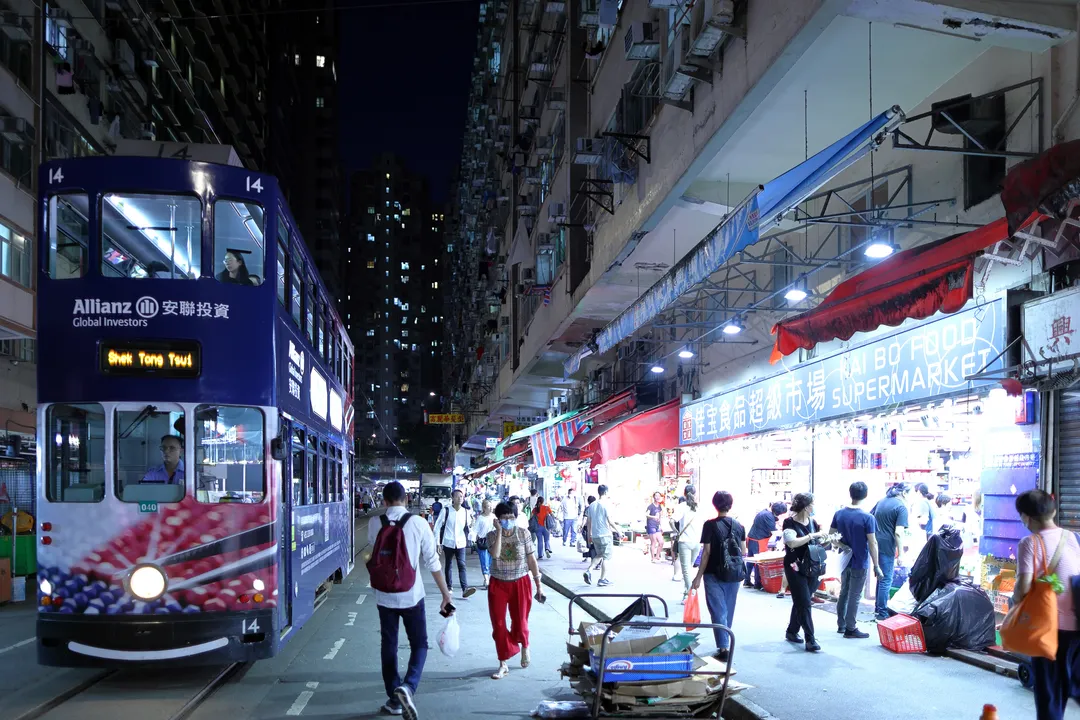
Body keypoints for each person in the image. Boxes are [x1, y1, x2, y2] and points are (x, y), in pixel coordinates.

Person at [369, 481, 453, 719]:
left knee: (389, 644)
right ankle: (409, 686)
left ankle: (394, 699)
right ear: (406, 499)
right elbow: (433, 563)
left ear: (384, 502)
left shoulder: (376, 523)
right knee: (419, 644)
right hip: (412, 596)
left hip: (384, 596)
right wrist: (446, 594)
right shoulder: (418, 523)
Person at [1013, 489, 1080, 720]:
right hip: (1077, 627)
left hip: (1048, 629)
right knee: (1070, 680)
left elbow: (1022, 587)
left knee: (1050, 692)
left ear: (1025, 517)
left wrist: (1015, 603)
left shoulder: (1030, 543)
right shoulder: (1072, 537)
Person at [486, 501, 544, 680]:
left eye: (511, 518)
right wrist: (500, 533)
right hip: (498, 584)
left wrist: (538, 584)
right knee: (498, 624)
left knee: (520, 621)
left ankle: (525, 646)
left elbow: (532, 560)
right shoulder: (491, 536)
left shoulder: (523, 534)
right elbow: (495, 555)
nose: (508, 521)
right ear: (498, 520)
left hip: (520, 582)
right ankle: (503, 662)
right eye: (504, 518)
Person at [691, 491, 746, 661]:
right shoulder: (739, 526)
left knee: (717, 610)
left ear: (714, 504)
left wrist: (698, 576)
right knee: (728, 609)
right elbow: (743, 551)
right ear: (731, 505)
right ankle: (725, 642)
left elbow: (706, 553)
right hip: (733, 574)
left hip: (713, 573)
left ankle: (723, 647)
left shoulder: (710, 525)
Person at [830, 482, 882, 639]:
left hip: (845, 560)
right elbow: (872, 543)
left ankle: (841, 624)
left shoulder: (839, 514)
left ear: (850, 493)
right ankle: (851, 628)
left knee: (844, 592)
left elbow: (831, 536)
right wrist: (877, 565)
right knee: (855, 595)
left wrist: (843, 546)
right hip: (860, 560)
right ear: (866, 495)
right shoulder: (868, 518)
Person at [783, 492, 828, 653]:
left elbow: (816, 542)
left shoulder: (813, 523)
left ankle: (792, 631)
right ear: (807, 507)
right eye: (812, 504)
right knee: (805, 602)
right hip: (794, 567)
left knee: (802, 600)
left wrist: (825, 539)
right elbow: (791, 542)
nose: (814, 507)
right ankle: (810, 638)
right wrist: (811, 536)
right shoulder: (789, 523)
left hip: (812, 567)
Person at [871, 483, 909, 620]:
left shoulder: (881, 502)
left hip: (875, 543)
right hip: (887, 546)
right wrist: (901, 554)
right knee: (886, 579)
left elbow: (870, 518)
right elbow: (899, 533)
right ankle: (882, 613)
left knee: (881, 577)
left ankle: (877, 608)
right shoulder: (901, 507)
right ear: (904, 493)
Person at [432, 489, 477, 599]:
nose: (460, 498)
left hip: (461, 542)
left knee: (462, 565)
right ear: (452, 498)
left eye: (461, 496)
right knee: (449, 564)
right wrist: (438, 543)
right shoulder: (446, 511)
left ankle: (465, 589)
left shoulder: (466, 512)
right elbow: (437, 527)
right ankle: (449, 586)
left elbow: (470, 527)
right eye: (457, 496)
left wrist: (472, 526)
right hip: (448, 542)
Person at [745, 502, 786, 589]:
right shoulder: (769, 516)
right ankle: (758, 583)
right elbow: (774, 532)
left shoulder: (763, 512)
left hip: (751, 539)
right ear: (778, 512)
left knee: (751, 562)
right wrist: (786, 533)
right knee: (759, 562)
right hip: (759, 541)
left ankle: (747, 580)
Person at [673, 488, 703, 600]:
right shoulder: (699, 507)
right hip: (697, 542)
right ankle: (686, 594)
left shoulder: (681, 506)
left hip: (684, 541)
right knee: (689, 568)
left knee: (686, 570)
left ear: (684, 493)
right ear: (695, 494)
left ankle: (690, 594)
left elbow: (672, 521)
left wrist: (676, 532)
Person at [583, 485, 613, 587]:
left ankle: (589, 571)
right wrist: (619, 531)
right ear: (606, 492)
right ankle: (602, 579)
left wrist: (589, 536)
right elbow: (610, 521)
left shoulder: (592, 505)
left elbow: (589, 522)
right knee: (606, 557)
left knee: (599, 555)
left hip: (595, 535)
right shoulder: (605, 504)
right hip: (605, 535)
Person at [473, 500, 496, 588]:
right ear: (483, 508)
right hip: (482, 542)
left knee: (490, 561)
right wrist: (473, 538)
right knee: (484, 560)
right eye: (488, 506)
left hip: (492, 541)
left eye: (491, 506)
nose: (490, 508)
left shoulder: (494, 517)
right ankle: (486, 579)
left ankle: (488, 577)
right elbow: (475, 530)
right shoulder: (480, 518)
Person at [646, 492, 665, 563]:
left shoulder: (659, 506)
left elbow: (660, 517)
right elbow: (646, 515)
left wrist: (661, 526)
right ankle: (652, 558)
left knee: (661, 542)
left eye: (659, 496)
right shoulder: (650, 506)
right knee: (653, 542)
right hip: (651, 525)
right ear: (653, 497)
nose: (657, 497)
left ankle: (657, 556)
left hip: (657, 526)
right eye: (656, 496)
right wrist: (654, 517)